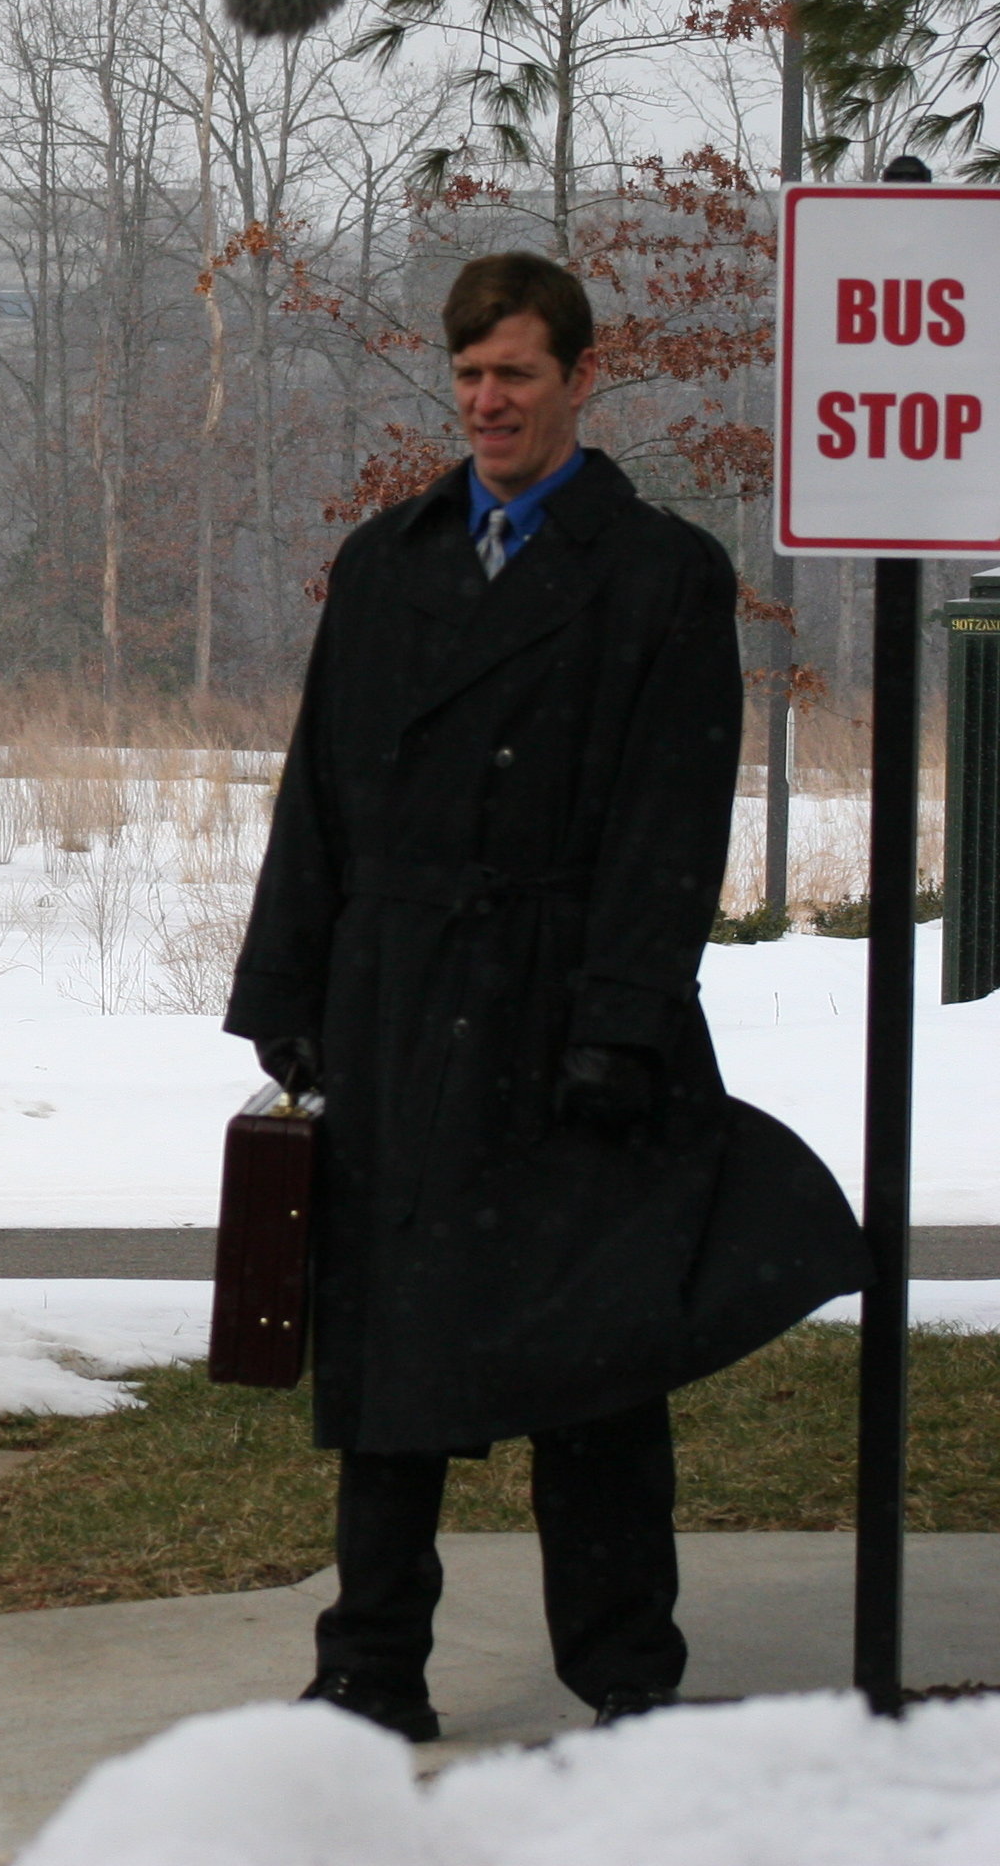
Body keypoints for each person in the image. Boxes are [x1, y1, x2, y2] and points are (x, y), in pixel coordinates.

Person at [226, 250, 864, 1743]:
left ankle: (628, 1674)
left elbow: (668, 822)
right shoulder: (389, 561)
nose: (487, 402)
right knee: (386, 1369)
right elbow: (319, 788)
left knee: (598, 1360)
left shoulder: (658, 575)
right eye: (466, 378)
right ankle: (369, 1671)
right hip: (396, 1004)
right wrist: (289, 983)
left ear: (580, 375)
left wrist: (620, 1020)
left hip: (564, 1012)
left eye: (514, 373)